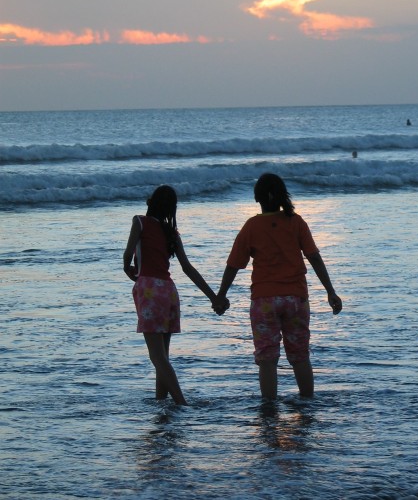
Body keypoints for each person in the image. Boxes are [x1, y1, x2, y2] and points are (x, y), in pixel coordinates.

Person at [216, 173, 342, 400]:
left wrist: (221, 296)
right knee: (300, 355)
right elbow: (314, 258)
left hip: (265, 301)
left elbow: (233, 265)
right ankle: (306, 405)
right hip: (296, 300)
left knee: (267, 359)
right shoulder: (296, 222)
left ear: (258, 199)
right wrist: (330, 291)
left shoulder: (252, 226)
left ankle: (269, 410)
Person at [123, 185, 229, 405]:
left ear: (150, 202)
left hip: (149, 291)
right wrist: (213, 298)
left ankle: (181, 402)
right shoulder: (171, 233)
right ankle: (161, 403)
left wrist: (130, 270)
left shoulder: (139, 221)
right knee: (163, 357)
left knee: (157, 357)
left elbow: (127, 255)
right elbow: (188, 268)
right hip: (169, 292)